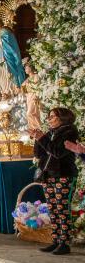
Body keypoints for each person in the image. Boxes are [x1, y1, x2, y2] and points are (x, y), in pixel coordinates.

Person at [30, 108, 79, 255]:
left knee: (62, 209)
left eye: (52, 117)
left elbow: (57, 152)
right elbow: (38, 154)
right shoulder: (50, 132)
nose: (49, 119)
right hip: (48, 175)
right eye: (49, 117)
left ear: (62, 118)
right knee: (53, 209)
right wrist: (37, 138)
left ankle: (64, 243)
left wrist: (42, 138)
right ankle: (56, 240)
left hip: (63, 175)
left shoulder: (70, 132)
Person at [0, 17, 26, 94]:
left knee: (8, 72)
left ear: (0, 23)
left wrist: (0, 41)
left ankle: (12, 90)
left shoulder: (5, 31)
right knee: (1, 73)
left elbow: (10, 43)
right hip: (1, 57)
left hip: (7, 57)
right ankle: (5, 91)